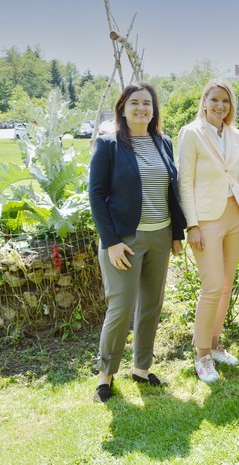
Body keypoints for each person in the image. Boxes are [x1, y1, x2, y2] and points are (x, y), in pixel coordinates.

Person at [89, 82, 186, 402]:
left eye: (147, 103)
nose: (142, 108)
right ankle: (105, 375)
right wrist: (111, 241)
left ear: (154, 109)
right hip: (124, 241)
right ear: (123, 108)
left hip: (160, 236)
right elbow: (97, 196)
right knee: (121, 307)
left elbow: (172, 191)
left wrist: (175, 234)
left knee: (152, 305)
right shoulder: (108, 145)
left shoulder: (163, 142)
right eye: (135, 103)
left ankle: (141, 368)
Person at [178, 79, 239, 383]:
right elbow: (184, 182)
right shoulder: (191, 133)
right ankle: (202, 354)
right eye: (215, 100)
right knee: (211, 287)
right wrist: (192, 224)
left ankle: (216, 343)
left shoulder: (233, 134)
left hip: (234, 214)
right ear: (204, 101)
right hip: (206, 219)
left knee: (225, 285)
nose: (221, 106)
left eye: (226, 101)